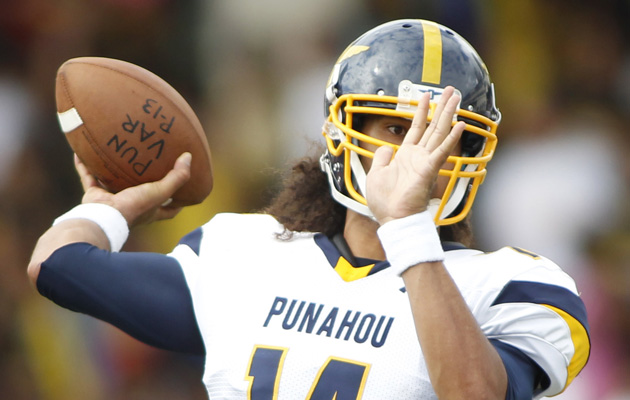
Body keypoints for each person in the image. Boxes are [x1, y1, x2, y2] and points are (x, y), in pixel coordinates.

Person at [28, 19, 590, 399]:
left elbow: (473, 394)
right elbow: (59, 267)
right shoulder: (247, 255)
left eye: (445, 136)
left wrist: (408, 231)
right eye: (397, 127)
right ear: (343, 135)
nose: (419, 153)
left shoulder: (513, 286)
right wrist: (109, 208)